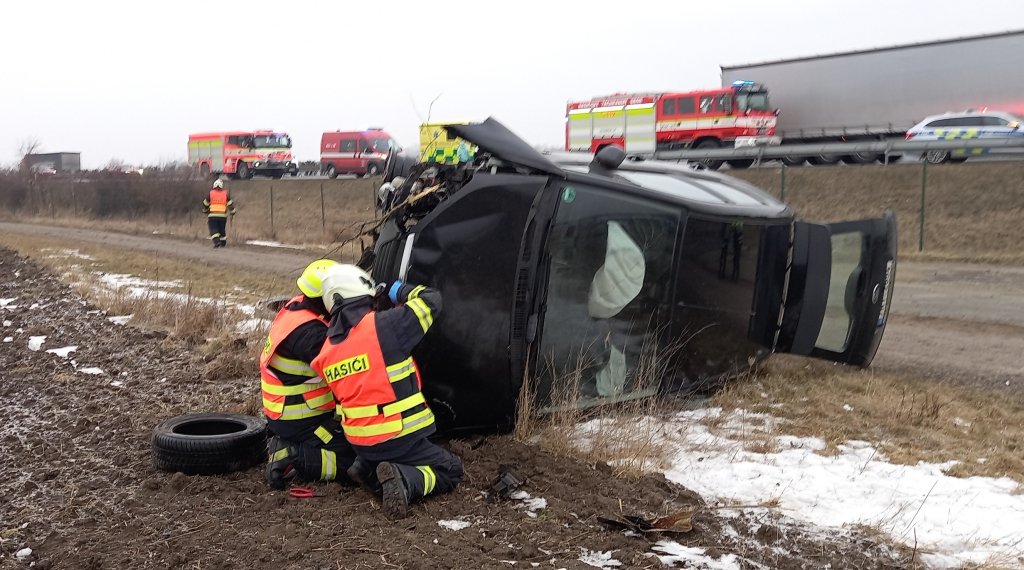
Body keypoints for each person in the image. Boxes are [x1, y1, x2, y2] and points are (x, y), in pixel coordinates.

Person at [310, 264, 463, 519]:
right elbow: (431, 300)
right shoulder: (385, 326)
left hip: (361, 443)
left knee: (385, 454)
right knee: (450, 469)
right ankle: (407, 480)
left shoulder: (326, 351)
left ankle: (367, 469)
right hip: (398, 437)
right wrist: (396, 289)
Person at [261, 259, 357, 489]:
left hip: (294, 414)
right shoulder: (310, 335)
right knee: (359, 460)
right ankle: (293, 456)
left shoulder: (299, 308)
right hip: (302, 419)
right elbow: (347, 369)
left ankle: (290, 443)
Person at [202, 179, 236, 248]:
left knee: (213, 229)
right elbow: (230, 204)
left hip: (213, 215)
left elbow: (205, 203)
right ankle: (223, 243)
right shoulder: (225, 194)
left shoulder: (211, 193)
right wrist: (233, 212)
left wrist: (205, 210)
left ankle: (217, 242)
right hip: (223, 216)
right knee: (222, 229)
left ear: (214, 185)